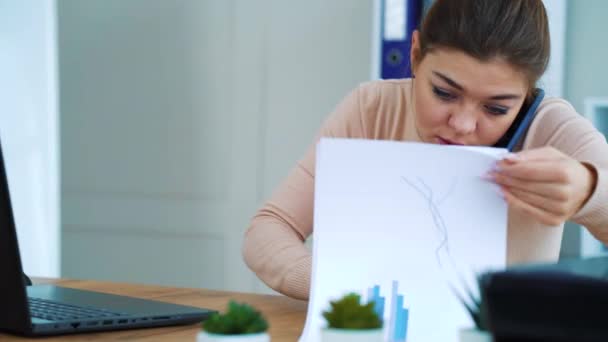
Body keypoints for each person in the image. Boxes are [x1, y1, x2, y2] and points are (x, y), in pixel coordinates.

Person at [242, 0, 608, 300]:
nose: (463, 124)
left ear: (527, 94)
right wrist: (340, 287)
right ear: (416, 55)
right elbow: (268, 230)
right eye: (444, 93)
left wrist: (588, 191)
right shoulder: (372, 109)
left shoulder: (550, 126)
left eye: (496, 108)